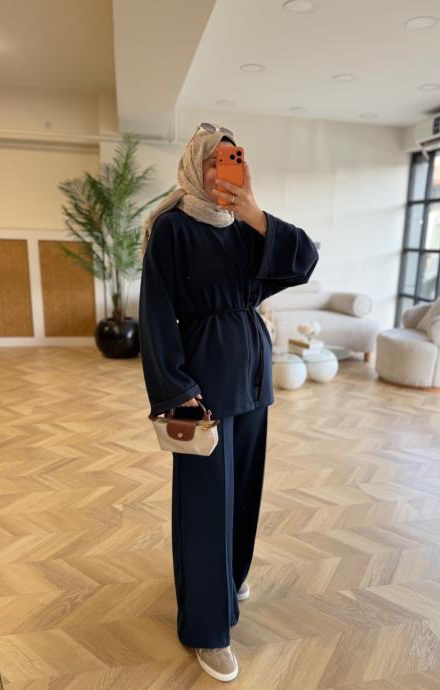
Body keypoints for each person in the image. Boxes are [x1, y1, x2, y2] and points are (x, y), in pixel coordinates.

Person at [138, 122, 319, 682]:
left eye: (233, 159)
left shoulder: (244, 225)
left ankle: (232, 575)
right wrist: (177, 391)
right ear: (194, 165)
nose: (223, 171)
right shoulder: (170, 228)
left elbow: (304, 260)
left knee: (243, 490)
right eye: (213, 161)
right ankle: (207, 628)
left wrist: (255, 212)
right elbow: (155, 316)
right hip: (203, 382)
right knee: (204, 502)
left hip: (252, 377)